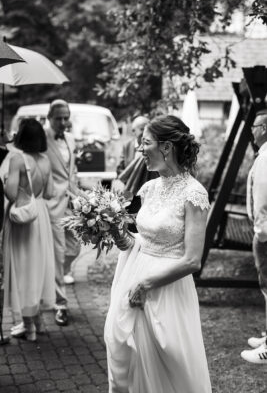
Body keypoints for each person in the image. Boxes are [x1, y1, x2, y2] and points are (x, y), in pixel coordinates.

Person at [104, 115, 212, 392]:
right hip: (133, 276)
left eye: (145, 142)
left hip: (167, 288)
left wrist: (146, 284)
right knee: (129, 357)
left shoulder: (194, 194)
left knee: (170, 362)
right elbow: (139, 241)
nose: (140, 149)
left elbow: (192, 260)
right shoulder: (149, 188)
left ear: (166, 147)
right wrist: (116, 232)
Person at [3, 119, 55, 341]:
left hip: (23, 218)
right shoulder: (45, 160)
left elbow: (12, 193)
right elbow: (51, 192)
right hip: (41, 215)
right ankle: (39, 321)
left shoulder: (17, 159)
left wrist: (6, 181)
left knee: (23, 268)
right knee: (38, 267)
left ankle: (28, 327)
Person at [46, 99, 81, 326]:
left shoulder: (70, 138)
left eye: (65, 117)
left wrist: (79, 194)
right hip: (51, 204)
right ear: (49, 117)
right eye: (58, 118)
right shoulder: (41, 137)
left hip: (71, 201)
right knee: (58, 254)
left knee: (75, 246)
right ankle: (60, 303)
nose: (62, 122)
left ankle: (52, 280)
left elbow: (72, 170)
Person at [241, 109, 267, 364]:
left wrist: (261, 233)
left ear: (265, 128)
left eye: (255, 125)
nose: (252, 129)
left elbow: (262, 199)